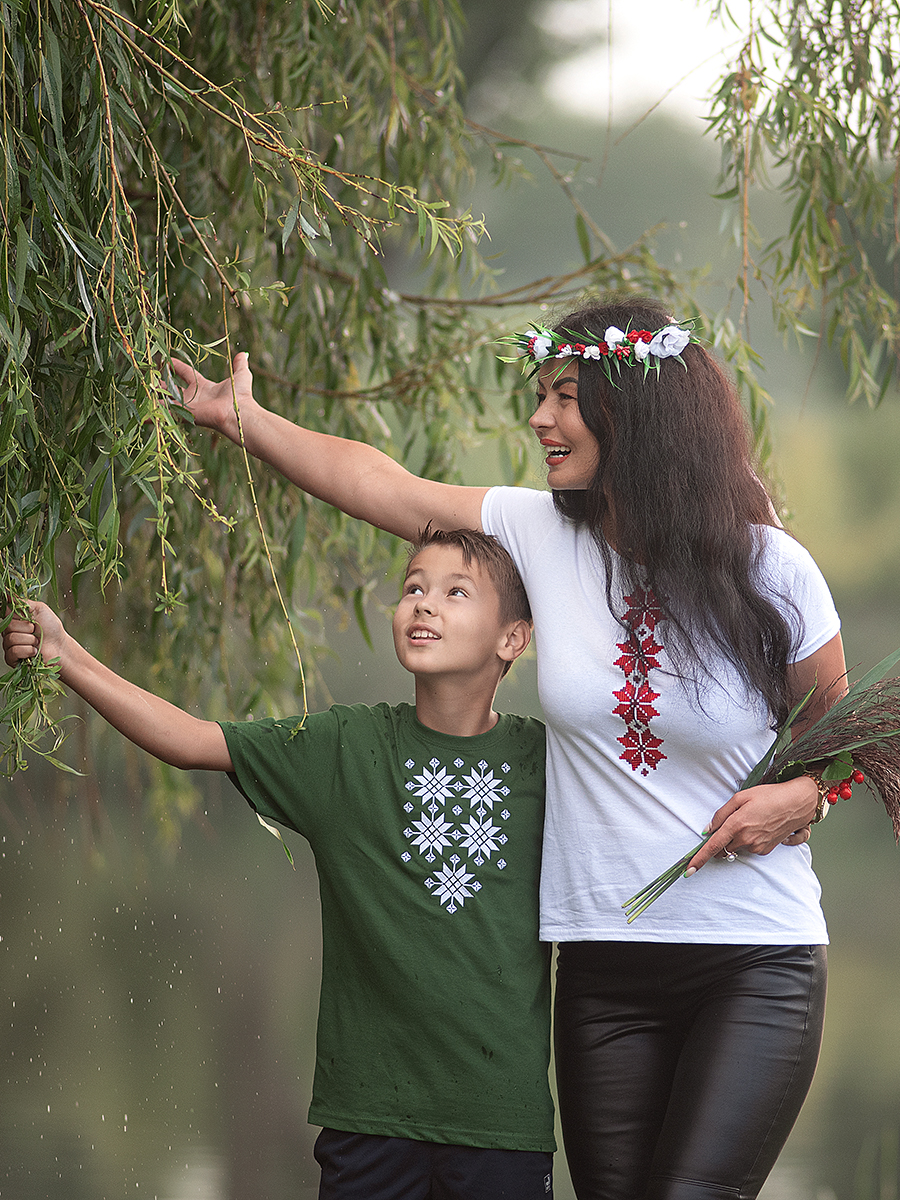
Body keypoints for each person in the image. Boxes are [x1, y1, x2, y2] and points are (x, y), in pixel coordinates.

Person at [170, 294, 846, 1200]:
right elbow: (382, 485)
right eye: (542, 395)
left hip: (756, 960)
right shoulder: (536, 532)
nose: (539, 418)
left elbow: (844, 739)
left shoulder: (772, 568)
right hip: (601, 968)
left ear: (635, 411)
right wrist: (244, 421)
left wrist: (805, 798)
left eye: (565, 397)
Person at [3, 528, 555, 1200]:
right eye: (413, 587)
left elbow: (652, 795)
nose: (423, 604)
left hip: (500, 1124)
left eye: (455, 592)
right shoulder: (344, 747)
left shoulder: (549, 763)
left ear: (513, 638)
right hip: (368, 1120)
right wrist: (67, 656)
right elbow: (193, 741)